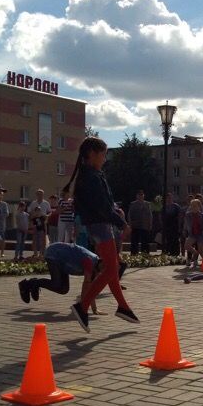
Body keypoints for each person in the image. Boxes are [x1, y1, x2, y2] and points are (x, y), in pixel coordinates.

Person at [66, 138, 137, 331]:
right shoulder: (91, 177)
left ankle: (123, 307)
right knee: (110, 270)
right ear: (92, 154)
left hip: (98, 226)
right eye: (103, 154)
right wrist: (122, 223)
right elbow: (103, 207)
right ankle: (82, 306)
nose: (105, 158)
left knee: (112, 268)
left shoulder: (91, 175)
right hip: (101, 226)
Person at [19, 242, 100, 306]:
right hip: (54, 254)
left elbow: (90, 289)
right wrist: (82, 308)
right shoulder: (89, 262)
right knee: (56, 283)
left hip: (63, 262)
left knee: (63, 289)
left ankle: (35, 283)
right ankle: (29, 284)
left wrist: (94, 309)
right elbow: (86, 286)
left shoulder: (96, 268)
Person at [183, 198, 203, 269]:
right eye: (192, 205)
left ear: (199, 206)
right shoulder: (188, 215)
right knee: (186, 246)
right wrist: (184, 230)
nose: (193, 207)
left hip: (201, 234)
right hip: (192, 234)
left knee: (202, 252)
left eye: (195, 206)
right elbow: (186, 223)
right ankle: (195, 253)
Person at [128, 190, 153, 255]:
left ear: (143, 196)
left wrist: (150, 224)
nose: (140, 196)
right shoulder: (133, 204)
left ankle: (145, 254)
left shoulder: (147, 204)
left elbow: (150, 215)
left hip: (144, 226)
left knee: (145, 241)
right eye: (139, 195)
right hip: (135, 225)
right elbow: (129, 215)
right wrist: (130, 224)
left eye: (142, 195)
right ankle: (134, 254)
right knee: (134, 241)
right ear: (137, 196)